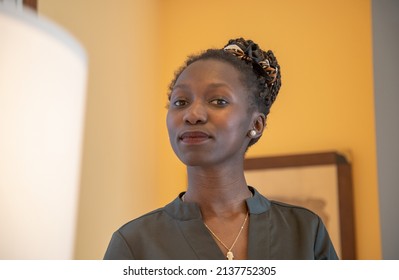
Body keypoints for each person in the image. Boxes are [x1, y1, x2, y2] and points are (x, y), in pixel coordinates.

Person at [103, 37, 338, 260]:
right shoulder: (134, 244)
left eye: (218, 101)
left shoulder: (306, 233)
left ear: (255, 124)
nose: (192, 114)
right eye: (180, 102)